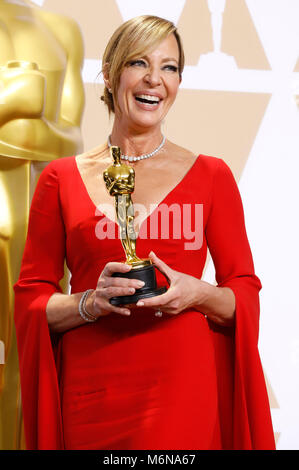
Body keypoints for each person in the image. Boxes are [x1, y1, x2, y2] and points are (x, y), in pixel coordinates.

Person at [13, 15, 275, 450]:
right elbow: (30, 300)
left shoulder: (212, 175)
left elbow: (243, 294)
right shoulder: (59, 178)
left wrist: (196, 292)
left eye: (170, 67)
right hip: (90, 393)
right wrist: (88, 303)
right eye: (139, 62)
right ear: (111, 74)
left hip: (181, 389)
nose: (155, 79)